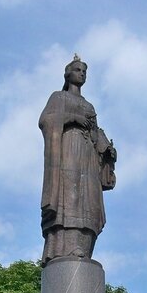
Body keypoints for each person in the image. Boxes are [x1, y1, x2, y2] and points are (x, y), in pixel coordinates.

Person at [39, 55, 116, 265]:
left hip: (88, 157)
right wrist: (72, 118)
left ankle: (84, 247)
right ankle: (64, 248)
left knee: (89, 200)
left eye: (84, 71)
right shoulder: (58, 98)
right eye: (77, 70)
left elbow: (95, 133)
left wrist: (106, 149)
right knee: (70, 197)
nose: (81, 74)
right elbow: (46, 120)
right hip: (69, 152)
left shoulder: (89, 106)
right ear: (67, 74)